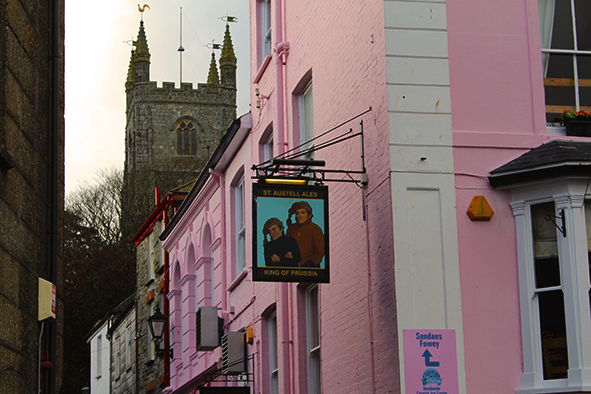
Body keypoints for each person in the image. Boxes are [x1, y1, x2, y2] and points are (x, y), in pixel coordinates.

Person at [286, 201, 325, 268]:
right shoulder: (291, 229)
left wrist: (312, 263)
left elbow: (321, 249)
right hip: (293, 266)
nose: (299, 216)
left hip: (311, 266)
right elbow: (286, 245)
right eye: (297, 213)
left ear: (309, 215)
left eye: (303, 213)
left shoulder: (315, 229)